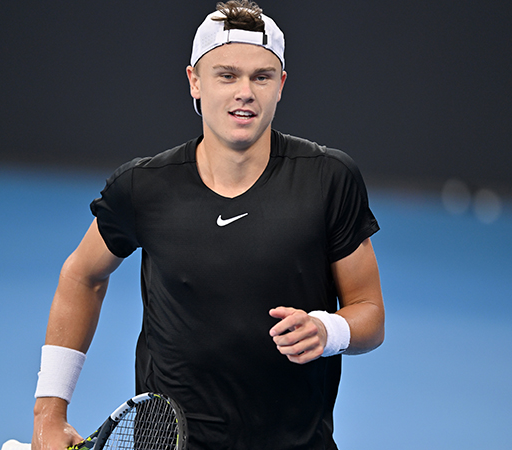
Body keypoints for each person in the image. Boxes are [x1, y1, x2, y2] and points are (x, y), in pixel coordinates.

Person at [31, 1, 384, 449]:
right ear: (195, 82)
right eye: (227, 75)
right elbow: (82, 275)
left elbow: (369, 312)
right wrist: (49, 414)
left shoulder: (329, 179)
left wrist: (329, 330)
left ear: (281, 86)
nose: (245, 92)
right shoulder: (144, 187)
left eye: (262, 76)